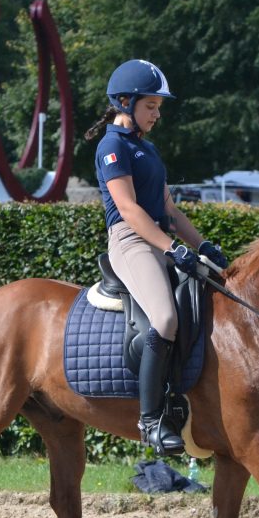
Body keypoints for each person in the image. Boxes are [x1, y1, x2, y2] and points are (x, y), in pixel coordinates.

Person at [84, 59, 228, 457]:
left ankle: (184, 399)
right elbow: (129, 210)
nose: (157, 114)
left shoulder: (146, 148)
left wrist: (202, 246)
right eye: (152, 106)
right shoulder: (111, 147)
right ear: (126, 102)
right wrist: (171, 248)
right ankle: (150, 420)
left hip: (159, 238)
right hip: (130, 241)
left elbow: (169, 206)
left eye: (159, 107)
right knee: (164, 319)